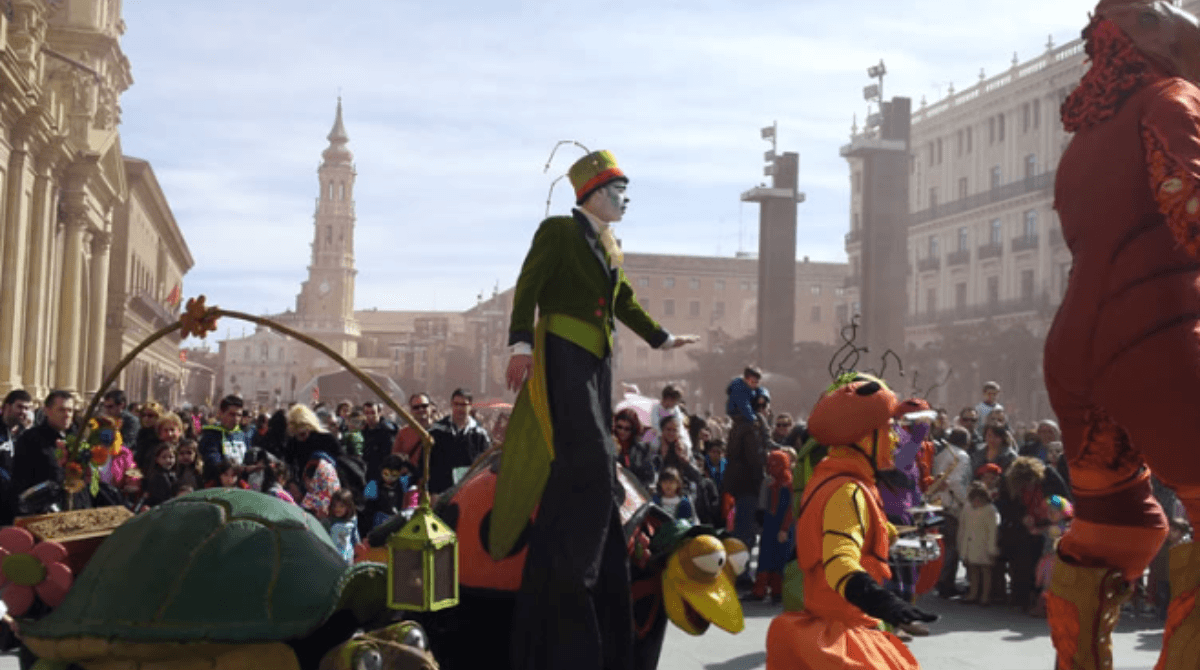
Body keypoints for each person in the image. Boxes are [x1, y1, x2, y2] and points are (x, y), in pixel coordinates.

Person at [1038, 3, 1200, 654]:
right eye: (1173, 10)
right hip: (1159, 336)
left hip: (1076, 349)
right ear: (1146, 33)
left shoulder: (1084, 143)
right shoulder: (1171, 98)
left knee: (1112, 530)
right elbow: (1190, 209)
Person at [497, 148, 698, 670]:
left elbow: (624, 300)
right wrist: (520, 345)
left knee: (597, 456)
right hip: (563, 347)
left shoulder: (611, 247)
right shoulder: (559, 233)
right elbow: (530, 285)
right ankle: (574, 567)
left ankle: (594, 552)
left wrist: (663, 339)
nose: (624, 201)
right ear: (589, 193)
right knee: (588, 450)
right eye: (616, 192)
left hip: (599, 358)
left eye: (625, 192)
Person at [765, 374, 935, 670]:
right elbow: (840, 561)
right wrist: (886, 603)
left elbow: (849, 529)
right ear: (865, 437)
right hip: (842, 633)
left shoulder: (834, 476)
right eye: (888, 429)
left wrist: (889, 532)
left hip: (835, 622)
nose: (895, 438)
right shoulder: (848, 490)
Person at [749, 450, 794, 604]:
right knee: (765, 556)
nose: (771, 467)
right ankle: (760, 590)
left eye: (775, 464)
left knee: (780, 557)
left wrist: (785, 528)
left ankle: (777, 590)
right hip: (770, 524)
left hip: (781, 526)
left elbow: (791, 509)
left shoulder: (789, 484)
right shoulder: (770, 483)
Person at [427, 388, 490, 495]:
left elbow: (485, 465)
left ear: (470, 405)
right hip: (441, 492)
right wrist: (433, 492)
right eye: (456, 404)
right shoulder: (437, 431)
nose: (460, 408)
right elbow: (428, 463)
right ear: (451, 404)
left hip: (469, 492)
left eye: (464, 405)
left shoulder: (480, 434)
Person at [960, 482, 1001, 605]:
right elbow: (963, 528)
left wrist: (992, 548)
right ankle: (972, 594)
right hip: (971, 544)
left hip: (984, 545)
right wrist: (963, 548)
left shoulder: (990, 510)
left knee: (986, 571)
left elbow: (993, 531)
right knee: (973, 570)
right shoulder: (967, 509)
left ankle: (985, 596)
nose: (976, 502)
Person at [197, 395, 250, 477]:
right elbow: (213, 461)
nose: (236, 419)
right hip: (217, 485)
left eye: (239, 415)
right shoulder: (211, 435)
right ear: (221, 413)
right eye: (232, 414)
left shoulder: (242, 435)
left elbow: (248, 458)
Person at [284, 404, 341, 477]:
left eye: (302, 425)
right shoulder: (292, 443)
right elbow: (288, 466)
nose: (300, 430)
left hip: (328, 483)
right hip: (304, 485)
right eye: (296, 426)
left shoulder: (326, 438)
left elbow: (341, 462)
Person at [362, 453, 410, 532]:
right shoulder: (374, 485)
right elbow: (368, 509)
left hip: (396, 521)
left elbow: (417, 475)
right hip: (379, 524)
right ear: (381, 471)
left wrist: (406, 463)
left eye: (394, 475)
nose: (389, 478)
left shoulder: (402, 483)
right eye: (386, 474)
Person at [612, 408, 656, 488]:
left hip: (635, 494)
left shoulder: (642, 449)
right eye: (619, 427)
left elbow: (649, 477)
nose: (622, 431)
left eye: (627, 429)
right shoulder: (609, 446)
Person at [324, 488, 360, 564]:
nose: (337, 509)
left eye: (341, 506)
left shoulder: (352, 520)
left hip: (348, 556)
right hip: (333, 557)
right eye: (335, 506)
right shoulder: (329, 522)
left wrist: (358, 547)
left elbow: (355, 536)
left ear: (349, 507)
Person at [100, 389, 140, 454]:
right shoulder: (105, 420)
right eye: (105, 407)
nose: (106, 411)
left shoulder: (132, 421)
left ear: (121, 405)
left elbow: (127, 444)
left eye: (110, 407)